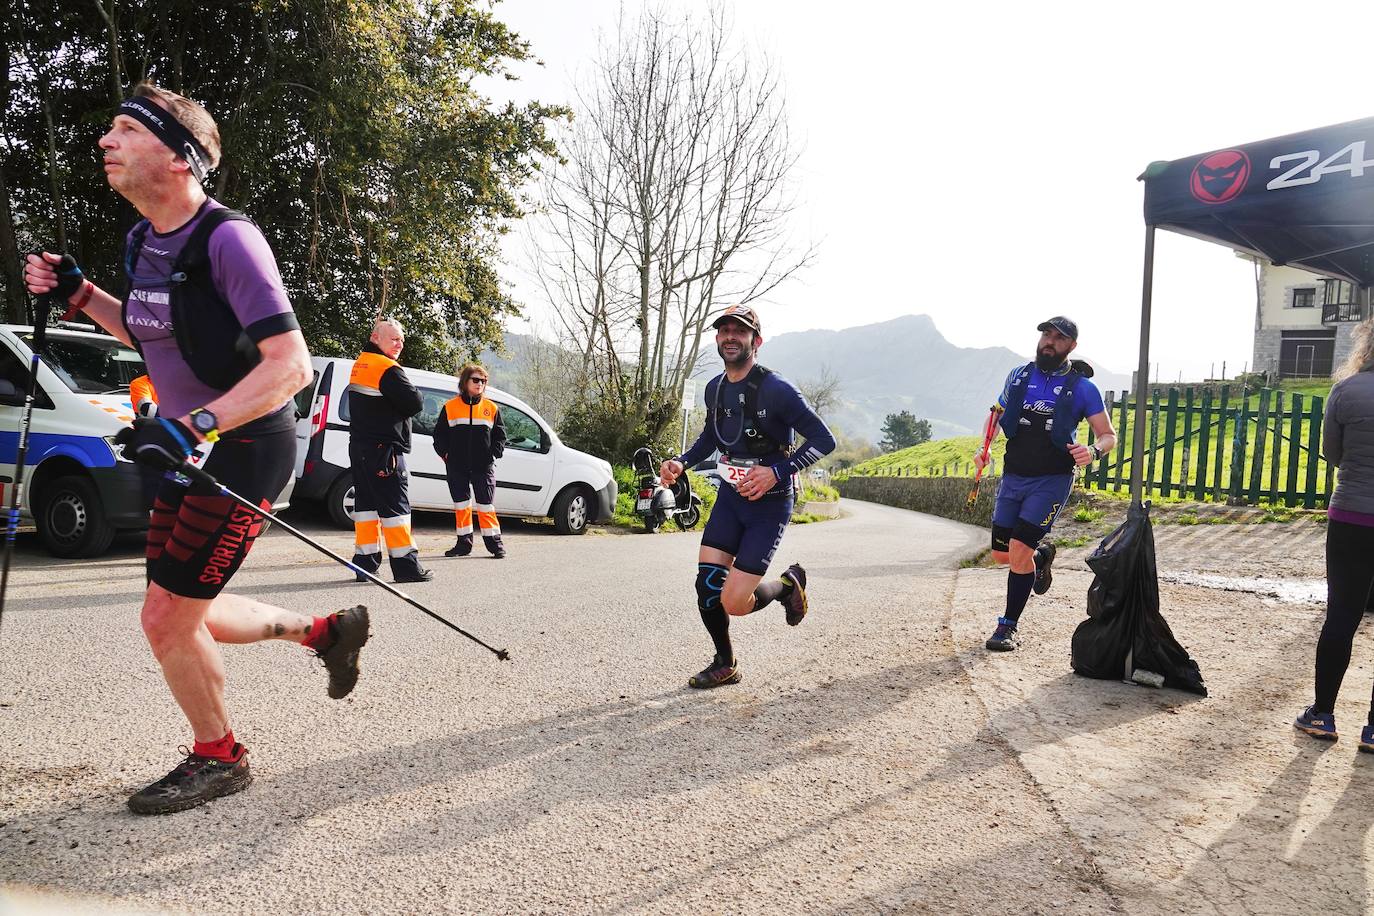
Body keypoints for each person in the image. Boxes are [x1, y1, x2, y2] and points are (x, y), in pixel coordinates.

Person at [23, 83, 369, 815]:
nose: (105, 141)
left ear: (179, 158)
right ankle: (324, 633)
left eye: (124, 129)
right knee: (186, 608)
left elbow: (291, 367)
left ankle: (221, 756)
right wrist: (83, 295)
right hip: (182, 449)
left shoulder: (228, 240)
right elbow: (156, 336)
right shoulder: (143, 240)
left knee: (165, 617)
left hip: (241, 446)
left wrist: (197, 425)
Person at [659, 305, 836, 688]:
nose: (729, 337)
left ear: (756, 341)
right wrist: (682, 461)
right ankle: (726, 663)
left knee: (735, 604)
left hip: (769, 506)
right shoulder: (715, 388)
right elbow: (710, 437)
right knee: (707, 587)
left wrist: (777, 471)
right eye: (723, 330)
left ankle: (787, 586)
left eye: (738, 331)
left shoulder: (778, 389)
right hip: (730, 498)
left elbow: (825, 439)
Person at [975, 316, 1116, 652]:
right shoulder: (1019, 376)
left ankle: (1007, 626)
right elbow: (996, 413)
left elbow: (1108, 435)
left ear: (1072, 346)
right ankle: (1041, 556)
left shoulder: (1083, 388)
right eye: (1046, 335)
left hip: (1052, 479)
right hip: (1013, 475)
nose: (1049, 342)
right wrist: (985, 448)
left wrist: (1093, 451)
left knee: (1018, 550)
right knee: (1000, 555)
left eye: (1058, 337)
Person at [1294, 320, 1374, 749]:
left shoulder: (1346, 391)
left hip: (1352, 517)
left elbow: (1332, 454)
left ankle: (1322, 714)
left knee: (1342, 616)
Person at [347, 317, 431, 583]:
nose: (399, 344)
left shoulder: (360, 364)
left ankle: (364, 565)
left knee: (366, 510)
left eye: (401, 339)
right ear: (375, 337)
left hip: (360, 447)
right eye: (393, 338)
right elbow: (414, 402)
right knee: (396, 509)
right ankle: (406, 568)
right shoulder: (387, 367)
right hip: (384, 450)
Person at [434, 363, 507, 559]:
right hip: (457, 466)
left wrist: (493, 454)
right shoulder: (450, 407)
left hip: (483, 466)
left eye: (483, 381)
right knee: (461, 506)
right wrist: (445, 455)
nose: (480, 384)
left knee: (486, 507)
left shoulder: (491, 408)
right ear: (465, 382)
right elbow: (439, 435)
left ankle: (495, 545)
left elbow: (500, 436)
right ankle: (463, 545)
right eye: (476, 380)